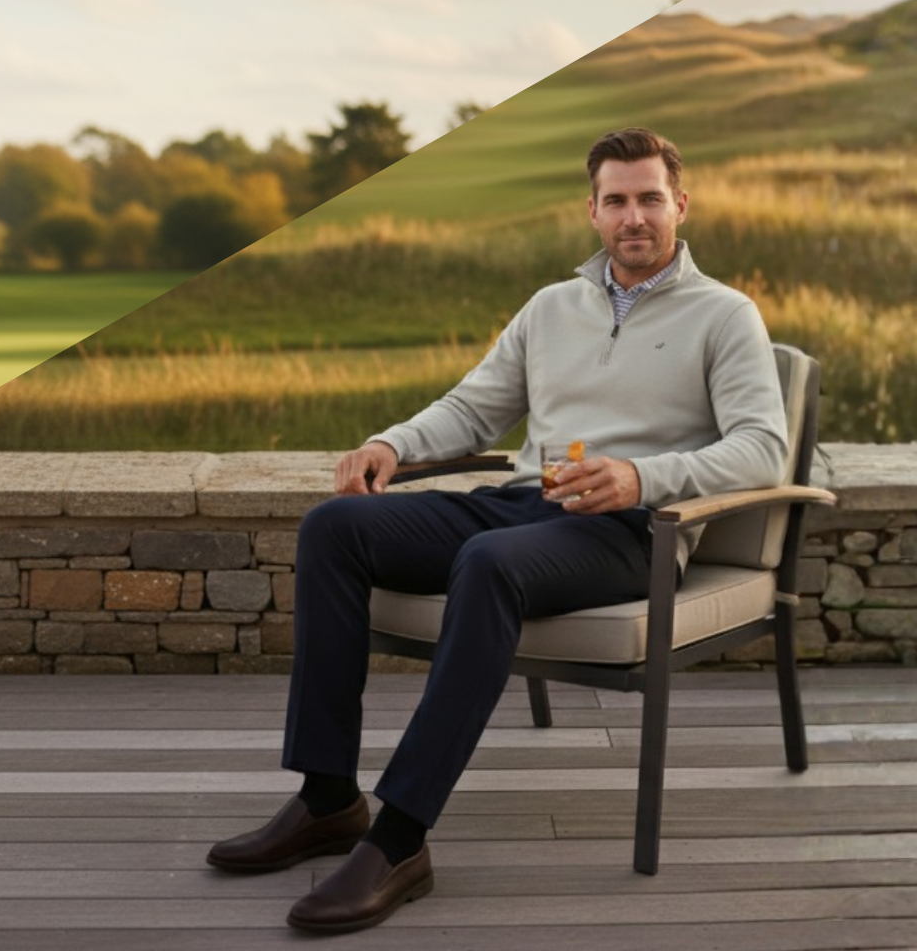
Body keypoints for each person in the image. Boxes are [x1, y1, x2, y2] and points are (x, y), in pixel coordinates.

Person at [204, 127, 789, 933]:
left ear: (679, 204)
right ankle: (329, 798)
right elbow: (474, 405)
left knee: (487, 562)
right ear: (591, 211)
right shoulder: (552, 307)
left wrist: (641, 477)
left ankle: (401, 838)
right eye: (615, 200)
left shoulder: (725, 315)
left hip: (629, 532)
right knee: (336, 527)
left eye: (649, 198)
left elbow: (763, 448)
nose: (634, 217)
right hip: (523, 503)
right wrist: (391, 444)